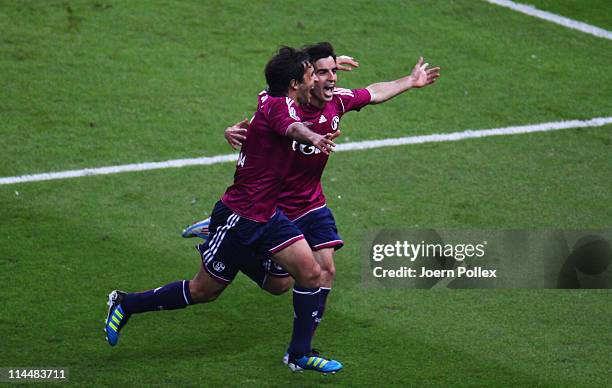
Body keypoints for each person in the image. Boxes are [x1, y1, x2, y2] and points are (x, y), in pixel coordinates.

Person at [183, 42, 441, 363]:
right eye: (323, 72)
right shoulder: (285, 105)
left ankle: (302, 350)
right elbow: (273, 120)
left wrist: (409, 81)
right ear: (308, 79)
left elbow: (373, 92)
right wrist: (236, 130)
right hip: (275, 206)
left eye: (334, 71)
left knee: (325, 269)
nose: (332, 78)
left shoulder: (337, 103)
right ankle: (221, 234)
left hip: (311, 202)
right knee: (279, 285)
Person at [105, 46, 344, 374]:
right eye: (310, 75)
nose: (315, 79)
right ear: (294, 83)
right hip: (240, 217)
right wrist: (314, 137)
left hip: (268, 216)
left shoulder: (274, 98)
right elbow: (292, 129)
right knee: (203, 291)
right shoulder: (277, 107)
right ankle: (126, 303)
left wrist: (332, 65)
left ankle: (299, 353)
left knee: (303, 276)